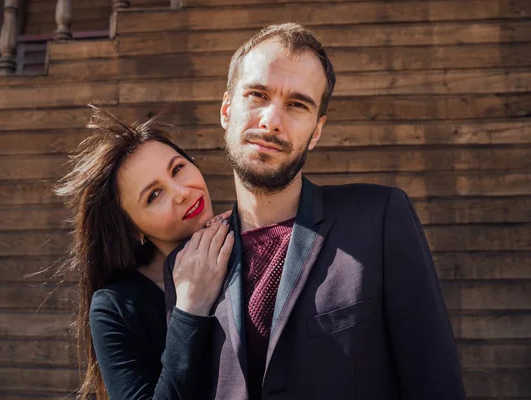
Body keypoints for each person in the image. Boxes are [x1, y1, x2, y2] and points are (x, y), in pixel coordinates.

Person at [163, 23, 466, 399]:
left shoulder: (381, 219)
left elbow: (435, 382)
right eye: (257, 94)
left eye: (297, 105)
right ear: (227, 109)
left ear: (317, 130)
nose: (272, 120)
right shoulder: (189, 264)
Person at [55, 105, 234, 400]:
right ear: (133, 229)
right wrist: (190, 307)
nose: (181, 192)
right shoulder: (115, 308)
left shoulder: (253, 242)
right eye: (154, 195)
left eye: (178, 168)